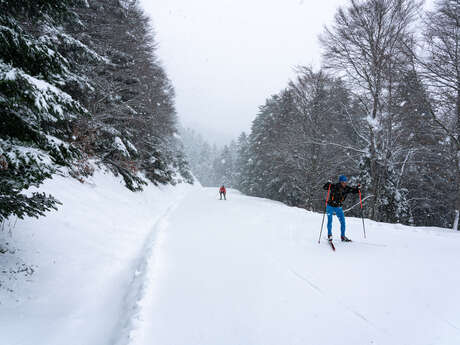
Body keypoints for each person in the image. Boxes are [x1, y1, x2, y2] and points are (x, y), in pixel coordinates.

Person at [323, 175, 360, 242]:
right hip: (330, 206)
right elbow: (325, 187)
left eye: (345, 182)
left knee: (343, 221)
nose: (344, 183)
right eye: (343, 182)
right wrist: (327, 184)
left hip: (338, 207)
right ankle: (329, 235)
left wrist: (358, 189)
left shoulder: (346, 188)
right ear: (340, 182)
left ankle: (343, 236)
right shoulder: (334, 186)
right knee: (330, 221)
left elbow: (354, 191)